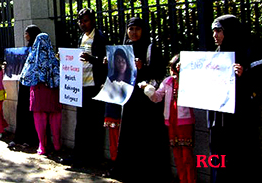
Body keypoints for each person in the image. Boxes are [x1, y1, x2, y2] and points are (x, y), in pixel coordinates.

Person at [109, 17, 170, 182]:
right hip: (130, 99)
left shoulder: (151, 48)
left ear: (143, 30)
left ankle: (148, 173)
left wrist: (144, 67)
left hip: (146, 100)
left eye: (137, 29)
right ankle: (128, 171)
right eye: (130, 29)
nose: (133, 33)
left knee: (147, 135)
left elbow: (158, 72)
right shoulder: (125, 49)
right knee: (130, 134)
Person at [208, 14, 258, 182]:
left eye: (219, 31)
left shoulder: (248, 52)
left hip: (240, 119)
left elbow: (258, 81)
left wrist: (244, 75)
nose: (215, 35)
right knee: (219, 156)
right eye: (213, 31)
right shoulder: (216, 54)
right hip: (219, 119)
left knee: (240, 156)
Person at [147, 54, 196, 183]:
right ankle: (182, 179)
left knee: (187, 156)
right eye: (172, 69)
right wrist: (148, 90)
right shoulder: (167, 81)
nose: (173, 72)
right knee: (177, 156)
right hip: (171, 122)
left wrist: (183, 76)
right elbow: (157, 97)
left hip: (184, 122)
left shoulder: (188, 81)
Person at [71, 8, 108, 167]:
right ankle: (80, 156)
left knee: (94, 124)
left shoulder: (99, 38)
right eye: (80, 21)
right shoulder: (82, 37)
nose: (82, 24)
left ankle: (94, 158)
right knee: (82, 123)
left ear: (93, 20)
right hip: (82, 86)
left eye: (85, 20)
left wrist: (91, 59)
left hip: (95, 86)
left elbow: (105, 62)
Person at [20, 33, 62, 156]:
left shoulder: (32, 58)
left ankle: (42, 146)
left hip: (38, 91)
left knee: (40, 119)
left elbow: (25, 77)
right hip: (52, 91)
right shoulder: (54, 59)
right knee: (55, 117)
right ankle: (57, 145)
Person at [8, 25, 41, 149]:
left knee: (30, 111)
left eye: (27, 33)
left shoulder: (38, 48)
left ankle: (30, 138)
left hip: (32, 84)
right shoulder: (28, 48)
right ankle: (20, 137)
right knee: (22, 109)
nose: (25, 36)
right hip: (24, 82)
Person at [104, 48, 132, 163]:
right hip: (112, 112)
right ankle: (114, 161)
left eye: (123, 61)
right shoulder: (110, 78)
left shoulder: (131, 79)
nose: (120, 64)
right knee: (113, 139)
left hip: (125, 114)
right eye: (117, 61)